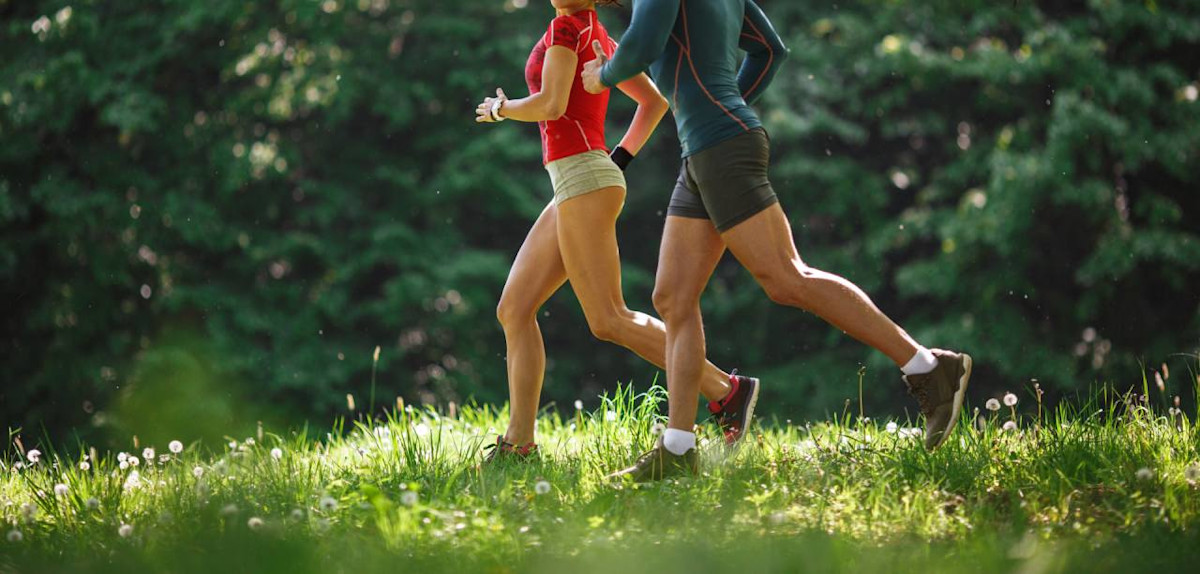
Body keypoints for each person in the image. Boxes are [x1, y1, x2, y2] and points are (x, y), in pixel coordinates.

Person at [581, 0, 972, 481]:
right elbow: (772, 51)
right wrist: (727, 105)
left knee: (786, 277)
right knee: (673, 297)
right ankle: (678, 448)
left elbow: (641, 44)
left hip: (719, 145)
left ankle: (928, 367)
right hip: (706, 145)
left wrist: (603, 76)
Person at [474, 0, 760, 463]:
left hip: (583, 179)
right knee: (515, 308)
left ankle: (726, 391)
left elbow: (551, 104)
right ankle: (519, 443)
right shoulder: (600, 36)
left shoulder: (568, 30)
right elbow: (654, 102)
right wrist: (618, 159)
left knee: (608, 318)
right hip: (581, 179)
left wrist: (501, 109)